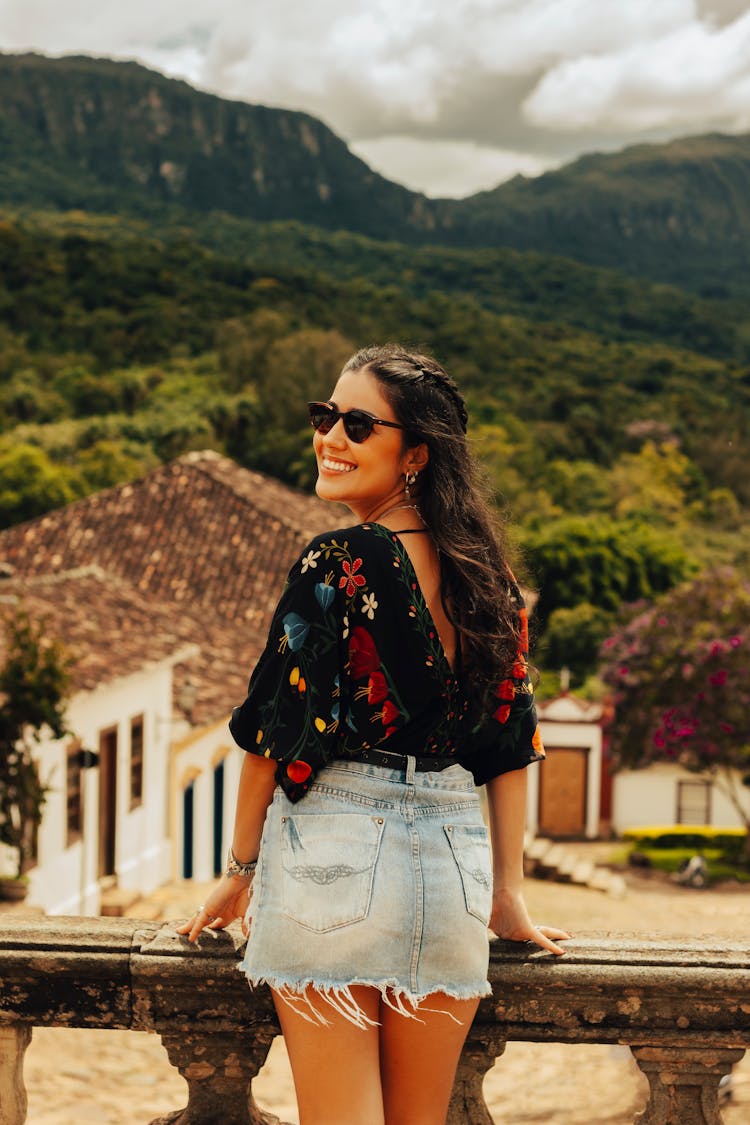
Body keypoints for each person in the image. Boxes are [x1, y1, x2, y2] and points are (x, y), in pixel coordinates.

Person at [177, 344, 570, 1125]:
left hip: (335, 852)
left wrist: (239, 869)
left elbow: (273, 730)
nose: (331, 438)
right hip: (453, 868)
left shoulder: (340, 559)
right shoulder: (488, 575)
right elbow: (510, 735)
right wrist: (508, 892)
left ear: (414, 454)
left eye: (359, 425)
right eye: (327, 417)